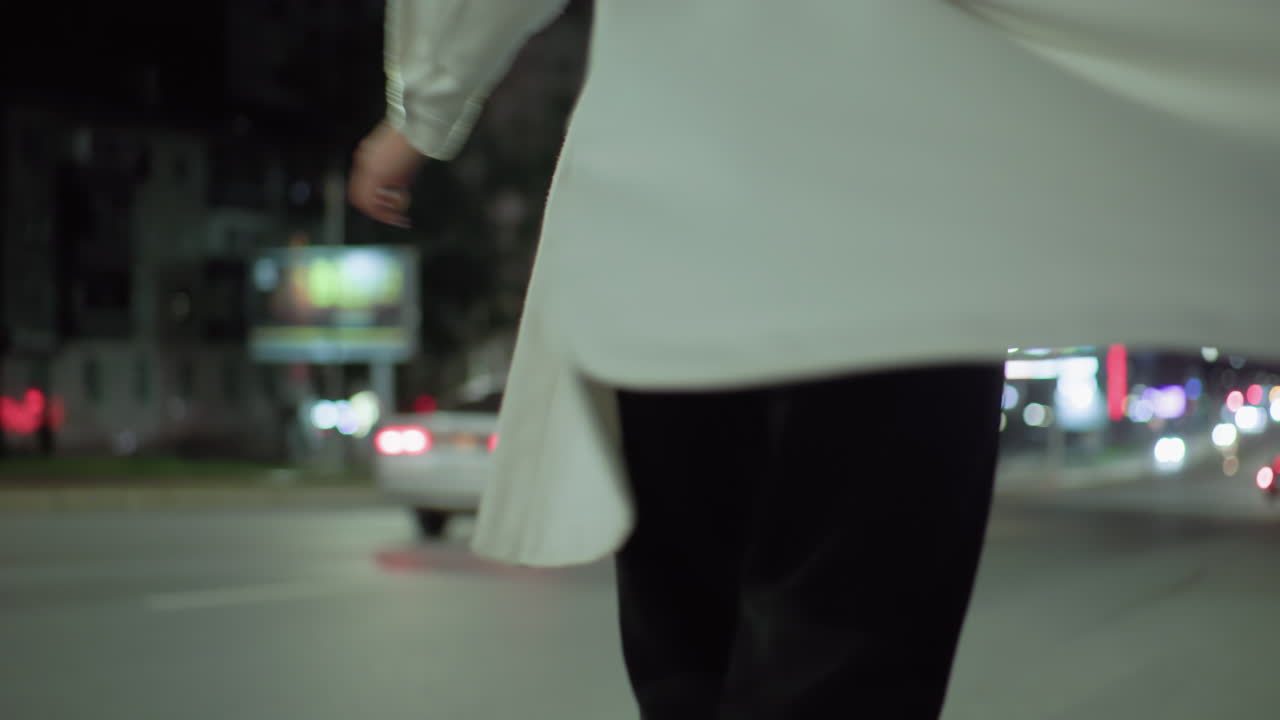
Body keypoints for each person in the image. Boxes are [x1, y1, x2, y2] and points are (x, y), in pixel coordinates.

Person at [350, 2, 1280, 717]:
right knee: (849, 651)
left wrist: (424, 107)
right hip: (907, 210)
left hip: (676, 200)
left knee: (694, 658)